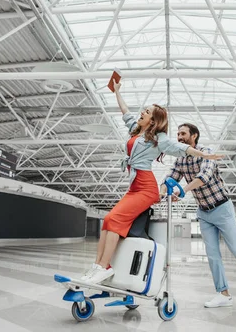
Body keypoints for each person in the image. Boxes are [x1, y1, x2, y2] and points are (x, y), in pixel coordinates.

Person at [80, 82, 224, 284]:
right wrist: (118, 91)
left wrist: (205, 155)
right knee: (108, 221)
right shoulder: (135, 131)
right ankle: (97, 267)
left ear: (153, 120)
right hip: (134, 188)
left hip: (146, 189)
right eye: (143, 110)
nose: (142, 113)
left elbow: (180, 148)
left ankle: (105, 267)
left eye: (146, 112)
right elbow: (125, 112)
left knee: (114, 221)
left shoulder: (159, 139)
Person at [160, 123, 236, 308]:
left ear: (194, 135)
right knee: (212, 254)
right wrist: (162, 190)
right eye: (178, 134)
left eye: (183, 134)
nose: (179, 137)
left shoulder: (206, 152)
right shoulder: (181, 158)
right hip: (204, 212)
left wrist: (182, 191)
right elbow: (171, 177)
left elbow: (204, 177)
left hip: (222, 208)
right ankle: (223, 294)